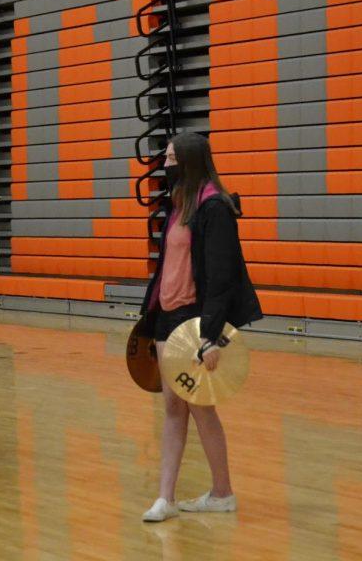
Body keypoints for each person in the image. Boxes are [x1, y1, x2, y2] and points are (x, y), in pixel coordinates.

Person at [138, 132, 262, 523]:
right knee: (172, 406)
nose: (165, 162)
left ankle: (223, 492)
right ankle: (165, 497)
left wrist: (210, 336)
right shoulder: (179, 204)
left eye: (172, 157)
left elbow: (221, 278)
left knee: (201, 407)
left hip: (196, 321)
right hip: (167, 317)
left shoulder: (215, 208)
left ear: (189, 161)